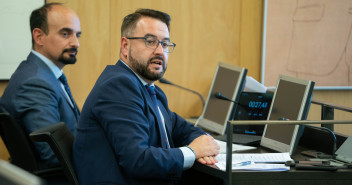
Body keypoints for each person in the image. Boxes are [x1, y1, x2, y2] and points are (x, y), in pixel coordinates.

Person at [73, 8, 219, 185]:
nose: (159, 51)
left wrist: (205, 142)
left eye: (165, 44)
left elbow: (178, 127)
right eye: (150, 41)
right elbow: (138, 160)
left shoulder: (150, 88)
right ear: (125, 46)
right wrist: (193, 152)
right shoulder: (118, 86)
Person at [0, 3, 81, 169]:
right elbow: (54, 154)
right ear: (38, 36)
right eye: (65, 34)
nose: (75, 43)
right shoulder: (35, 83)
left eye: (77, 35)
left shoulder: (45, 75)